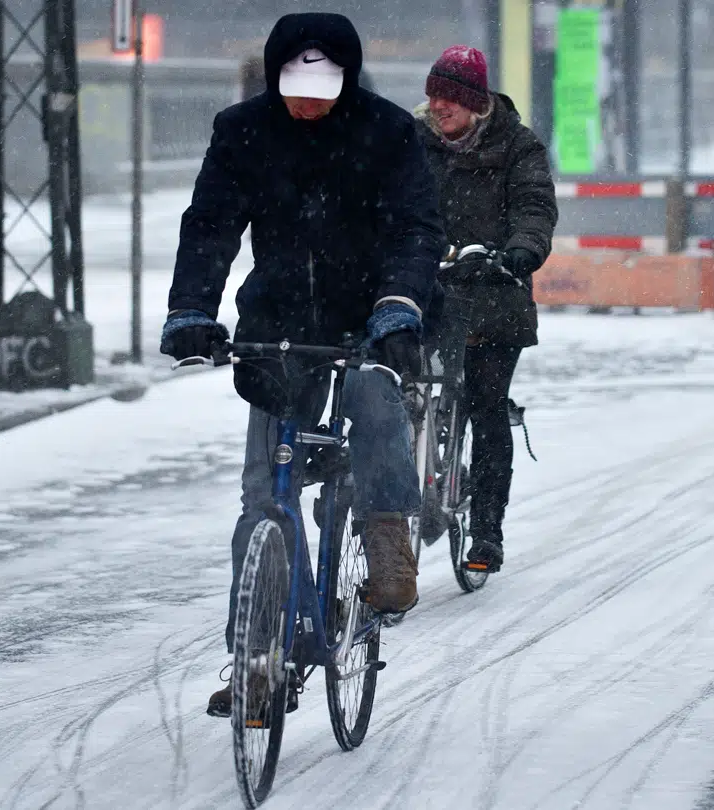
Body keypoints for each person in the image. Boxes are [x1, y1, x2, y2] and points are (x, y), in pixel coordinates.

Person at [157, 12, 445, 717]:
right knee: (264, 496)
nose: (306, 105)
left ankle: (386, 535)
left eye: (321, 92)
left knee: (374, 402)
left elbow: (415, 228)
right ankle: (257, 657)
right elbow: (211, 224)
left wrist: (398, 306)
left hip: (370, 316)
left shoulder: (386, 131)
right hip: (279, 322)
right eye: (294, 91)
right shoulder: (243, 131)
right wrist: (191, 308)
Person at [414, 46, 558, 573]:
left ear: (476, 102)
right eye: (434, 95)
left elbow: (535, 207)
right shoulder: (412, 140)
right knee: (398, 389)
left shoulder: (518, 146)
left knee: (485, 403)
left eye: (450, 97)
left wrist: (521, 251)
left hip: (494, 292)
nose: (439, 106)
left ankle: (486, 531)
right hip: (426, 289)